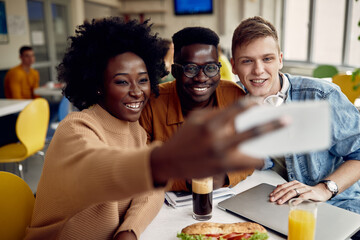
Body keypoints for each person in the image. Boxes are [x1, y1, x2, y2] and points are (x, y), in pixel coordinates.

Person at [25, 17, 286, 240]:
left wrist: (129, 231)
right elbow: (99, 168)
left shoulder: (134, 130)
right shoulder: (76, 127)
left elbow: (150, 192)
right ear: (97, 85)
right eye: (121, 81)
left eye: (142, 80)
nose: (137, 91)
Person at [231, 16, 360, 215]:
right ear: (233, 66)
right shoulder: (231, 102)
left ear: (280, 60)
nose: (258, 70)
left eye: (267, 59)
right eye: (247, 61)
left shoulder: (322, 97)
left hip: (335, 206)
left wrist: (324, 189)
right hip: (276, 206)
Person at [139, 27, 254, 192]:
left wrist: (225, 177)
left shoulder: (234, 96)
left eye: (211, 68)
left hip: (224, 199)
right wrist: (185, 181)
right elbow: (142, 166)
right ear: (175, 71)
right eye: (191, 68)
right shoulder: (152, 103)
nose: (201, 78)